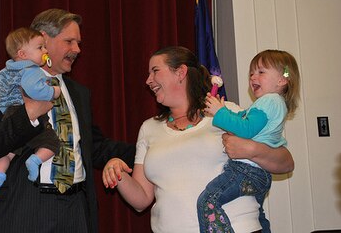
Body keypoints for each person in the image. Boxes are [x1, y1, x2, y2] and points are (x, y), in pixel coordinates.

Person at [0, 8, 135, 233]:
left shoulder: (78, 93)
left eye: (78, 43)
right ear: (43, 40)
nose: (77, 50)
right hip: (23, 210)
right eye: (69, 41)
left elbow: (94, 146)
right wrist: (27, 115)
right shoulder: (3, 84)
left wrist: (148, 152)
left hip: (75, 209)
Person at [102, 46, 294, 233]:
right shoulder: (148, 128)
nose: (148, 80)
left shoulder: (225, 112)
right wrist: (117, 172)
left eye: (155, 71)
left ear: (180, 72)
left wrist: (251, 149)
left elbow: (286, 163)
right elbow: (141, 200)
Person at [199, 49, 300, 233]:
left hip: (245, 170)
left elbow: (245, 130)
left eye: (261, 72)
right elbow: (241, 119)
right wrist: (221, 110)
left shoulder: (268, 101)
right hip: (259, 173)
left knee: (208, 201)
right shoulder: (272, 103)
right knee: (258, 215)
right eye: (252, 72)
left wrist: (219, 113)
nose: (253, 77)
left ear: (282, 80)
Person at [0, 27, 62, 196]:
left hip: (9, 114)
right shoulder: (31, 70)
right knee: (52, 143)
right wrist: (53, 92)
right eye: (40, 47)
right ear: (22, 54)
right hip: (26, 112)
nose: (45, 51)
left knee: (8, 151)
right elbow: (34, 90)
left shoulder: (6, 70)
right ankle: (35, 160)